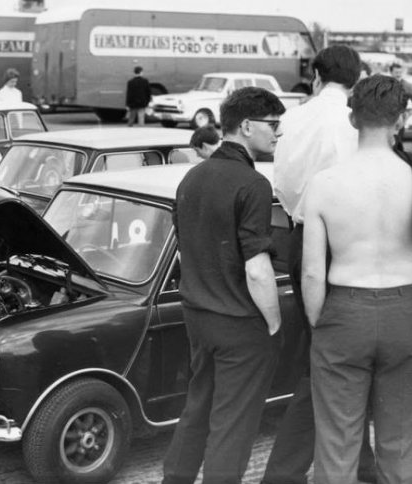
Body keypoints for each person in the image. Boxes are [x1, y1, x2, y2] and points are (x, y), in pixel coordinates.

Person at [266, 44, 377, 484]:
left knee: (329, 357)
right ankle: (285, 472)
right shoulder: (355, 122)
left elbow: (283, 182)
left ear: (316, 75)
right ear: (357, 78)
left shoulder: (293, 118)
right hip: (344, 243)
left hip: (298, 236)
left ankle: (361, 464)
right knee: (331, 363)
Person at [162, 87, 284, 484]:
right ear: (247, 126)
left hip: (198, 315)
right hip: (239, 322)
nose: (277, 133)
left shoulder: (191, 177)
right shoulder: (254, 184)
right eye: (272, 125)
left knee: (197, 409)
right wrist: (273, 323)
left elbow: (185, 250)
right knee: (233, 425)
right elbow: (257, 269)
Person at [302, 74, 412, 484]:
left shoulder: (324, 184)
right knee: (401, 440)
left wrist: (322, 323)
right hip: (406, 309)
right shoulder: (410, 179)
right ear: (400, 121)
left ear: (353, 120)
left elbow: (312, 270)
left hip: (345, 310)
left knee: (337, 440)